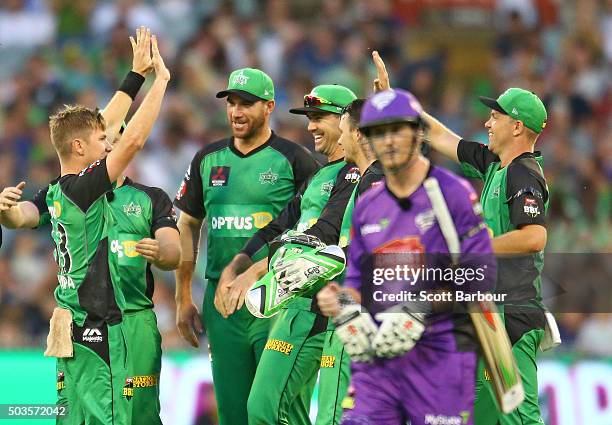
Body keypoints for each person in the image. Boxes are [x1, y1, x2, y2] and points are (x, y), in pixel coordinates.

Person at [0, 28, 170, 424]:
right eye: (100, 140)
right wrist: (159, 81)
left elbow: (21, 216)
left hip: (68, 325)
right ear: (80, 148)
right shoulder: (85, 189)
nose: (108, 143)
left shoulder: (56, 191)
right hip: (99, 331)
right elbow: (132, 142)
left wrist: (134, 77)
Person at [328, 89, 494, 425]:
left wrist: (419, 309)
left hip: (440, 358)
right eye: (378, 132)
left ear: (418, 132)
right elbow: (358, 283)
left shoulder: (452, 194)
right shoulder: (367, 206)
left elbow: (481, 279)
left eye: (397, 130)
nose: (388, 141)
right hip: (378, 365)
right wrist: (345, 307)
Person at [173, 68, 319, 425]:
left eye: (247, 104)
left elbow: (315, 228)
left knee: (274, 409)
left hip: (277, 300)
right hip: (222, 305)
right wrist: (182, 297)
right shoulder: (207, 159)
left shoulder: (295, 160)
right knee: (234, 414)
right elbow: (189, 224)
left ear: (269, 106)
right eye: (232, 104)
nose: (237, 112)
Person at [218, 84, 359, 425]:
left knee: (265, 410)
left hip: (315, 306)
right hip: (293, 303)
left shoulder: (355, 176)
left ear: (346, 123)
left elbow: (321, 235)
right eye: (309, 117)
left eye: (319, 117)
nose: (310, 126)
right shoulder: (319, 176)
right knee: (290, 412)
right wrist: (237, 266)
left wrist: (254, 273)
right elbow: (277, 228)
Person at [422, 88, 549, 424]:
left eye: (496, 117)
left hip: (513, 315)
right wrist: (393, 102)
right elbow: (437, 135)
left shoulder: (523, 172)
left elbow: (535, 236)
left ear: (517, 127)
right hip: (489, 310)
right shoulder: (496, 164)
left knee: (517, 417)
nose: (487, 123)